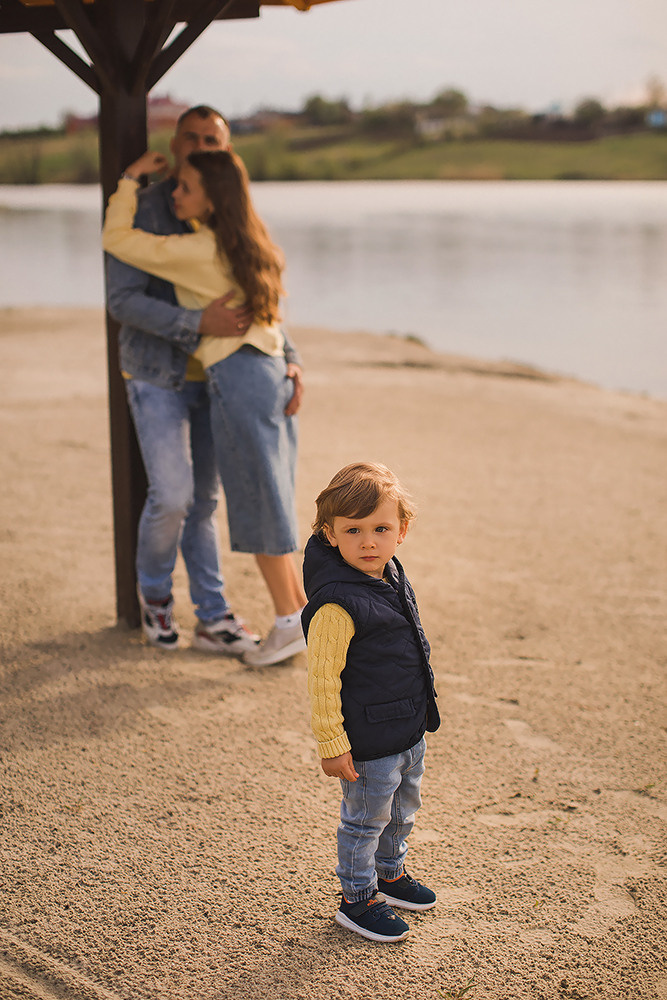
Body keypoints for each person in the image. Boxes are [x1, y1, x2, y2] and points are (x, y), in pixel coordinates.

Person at [105, 105, 304, 658]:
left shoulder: (223, 225)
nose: (196, 147)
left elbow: (264, 304)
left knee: (224, 501)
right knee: (177, 497)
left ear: (224, 153)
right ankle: (160, 598)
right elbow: (122, 300)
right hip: (163, 374)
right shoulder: (157, 207)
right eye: (189, 138)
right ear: (175, 141)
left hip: (228, 378)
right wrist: (199, 322)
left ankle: (224, 617)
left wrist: (293, 358)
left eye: (209, 140)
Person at [301, 462, 440, 942]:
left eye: (380, 529)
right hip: (368, 739)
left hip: (406, 727)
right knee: (365, 820)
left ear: (401, 530)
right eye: (352, 531)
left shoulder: (388, 573)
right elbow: (323, 679)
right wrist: (332, 742)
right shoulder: (337, 603)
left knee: (403, 808)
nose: (368, 542)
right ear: (329, 534)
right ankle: (357, 898)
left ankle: (390, 873)